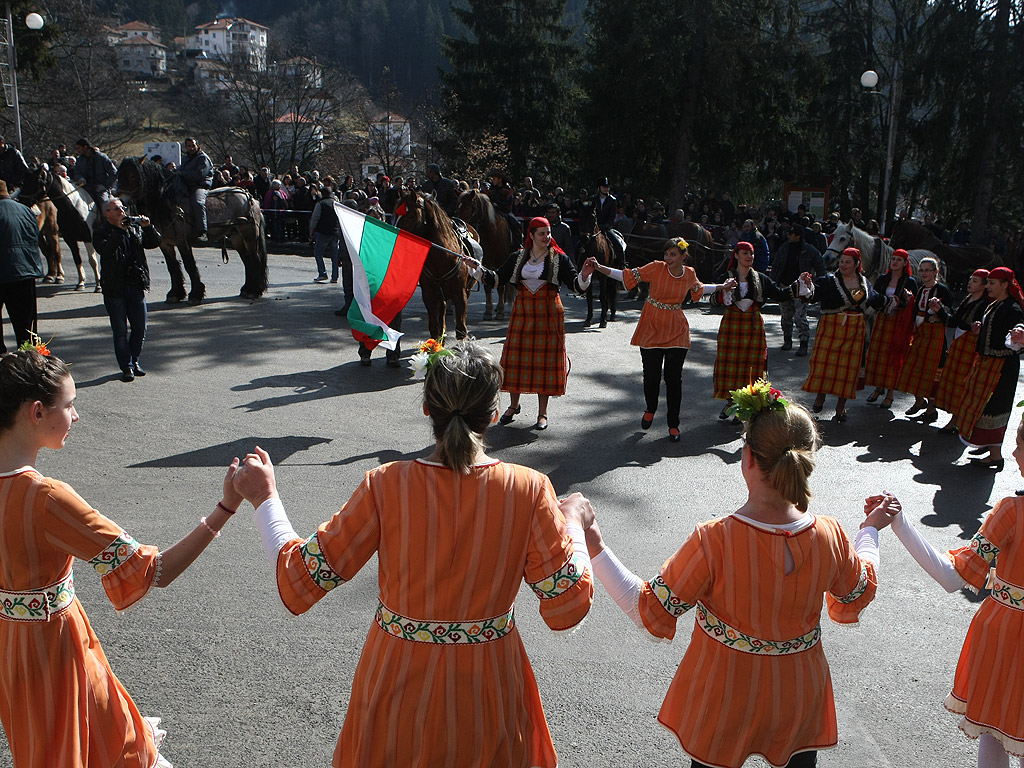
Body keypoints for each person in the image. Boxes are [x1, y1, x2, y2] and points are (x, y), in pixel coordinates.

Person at [229, 339, 594, 767]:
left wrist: (265, 498)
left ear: (427, 408)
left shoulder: (385, 484)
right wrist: (573, 523)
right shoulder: (529, 489)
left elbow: (302, 580)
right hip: (488, 686)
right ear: (493, 414)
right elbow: (567, 605)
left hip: (395, 682)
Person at [564, 382, 891, 768]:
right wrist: (869, 530)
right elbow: (860, 589)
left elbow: (648, 610)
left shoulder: (715, 540)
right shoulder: (830, 534)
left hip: (724, 696)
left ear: (747, 457)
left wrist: (596, 548)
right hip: (799, 694)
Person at [0, 344, 241, 768]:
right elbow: (155, 571)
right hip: (56, 651)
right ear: (36, 412)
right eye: (70, 406)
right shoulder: (45, 497)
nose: (76, 417)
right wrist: (225, 509)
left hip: (11, 651)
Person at [884, 426, 1024, 766]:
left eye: (1021, 445)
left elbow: (952, 577)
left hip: (1006, 636)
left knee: (992, 729)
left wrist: (901, 523)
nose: (1016, 455)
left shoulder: (1012, 513)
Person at [586, 238, 732, 440]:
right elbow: (627, 275)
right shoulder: (655, 268)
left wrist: (721, 287)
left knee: (674, 380)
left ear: (683, 256)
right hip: (652, 326)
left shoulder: (689, 273)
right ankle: (650, 408)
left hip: (676, 330)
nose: (668, 258)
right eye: (666, 254)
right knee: (651, 376)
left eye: (673, 254)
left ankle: (673, 424)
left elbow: (699, 288)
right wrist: (600, 267)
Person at [471, 217, 594, 431]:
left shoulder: (559, 259)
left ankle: (542, 413)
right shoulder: (518, 257)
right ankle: (513, 406)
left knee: (544, 363)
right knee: (515, 360)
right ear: (531, 235)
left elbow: (577, 286)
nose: (547, 237)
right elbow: (497, 278)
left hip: (548, 313)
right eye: (542, 234)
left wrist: (584, 274)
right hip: (523, 312)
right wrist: (477, 268)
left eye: (548, 234)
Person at [713, 242, 798, 419]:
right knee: (730, 363)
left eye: (751, 254)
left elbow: (780, 294)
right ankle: (730, 403)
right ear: (736, 255)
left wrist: (799, 285)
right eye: (745, 253)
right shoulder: (725, 276)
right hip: (732, 323)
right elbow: (713, 300)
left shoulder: (760, 278)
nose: (749, 257)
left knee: (751, 365)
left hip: (753, 324)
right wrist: (723, 291)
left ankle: (744, 405)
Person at [953, 267, 1024, 469]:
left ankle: (996, 457)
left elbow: (1019, 324)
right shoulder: (994, 304)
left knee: (994, 408)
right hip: (987, 364)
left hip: (1002, 368)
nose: (988, 286)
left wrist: (1019, 331)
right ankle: (987, 445)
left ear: (1004, 285)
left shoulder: (1011, 308)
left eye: (992, 283)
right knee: (980, 405)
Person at [799, 247, 876, 421]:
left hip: (855, 330)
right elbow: (815, 294)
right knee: (823, 363)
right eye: (842, 261)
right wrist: (809, 285)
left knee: (848, 369)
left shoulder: (864, 282)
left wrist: (894, 301)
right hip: (831, 328)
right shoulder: (829, 280)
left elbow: (875, 299)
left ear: (856, 264)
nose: (843, 264)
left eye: (848, 262)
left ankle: (841, 407)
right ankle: (820, 396)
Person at [93, 198, 161, 382]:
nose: (122, 210)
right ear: (107, 213)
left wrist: (148, 227)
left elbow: (154, 242)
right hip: (114, 287)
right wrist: (118, 231)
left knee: (140, 328)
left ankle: (135, 360)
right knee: (120, 330)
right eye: (116, 209)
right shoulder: (101, 232)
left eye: (122, 207)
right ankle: (126, 366)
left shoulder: (134, 228)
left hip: (135, 284)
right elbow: (106, 251)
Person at [894, 257, 954, 422]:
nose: (924, 273)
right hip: (921, 334)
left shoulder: (942, 290)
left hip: (935, 335)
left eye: (928, 270)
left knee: (932, 371)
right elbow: (916, 311)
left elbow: (950, 315)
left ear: (936, 272)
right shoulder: (921, 289)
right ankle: (919, 401)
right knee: (913, 368)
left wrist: (938, 310)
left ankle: (931, 409)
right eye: (921, 270)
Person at [935, 269, 990, 434]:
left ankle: (957, 420)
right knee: (953, 379)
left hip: (970, 346)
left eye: (975, 281)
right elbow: (953, 321)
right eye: (971, 279)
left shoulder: (985, 305)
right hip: (959, 344)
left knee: (963, 382)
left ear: (984, 285)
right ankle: (955, 417)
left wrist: (979, 329)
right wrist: (939, 309)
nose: (970, 283)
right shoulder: (968, 299)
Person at [864, 249, 917, 409]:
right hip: (882, 320)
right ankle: (878, 388)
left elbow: (912, 304)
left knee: (893, 356)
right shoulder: (883, 279)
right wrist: (884, 302)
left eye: (899, 260)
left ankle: (890, 394)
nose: (894, 262)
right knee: (879, 353)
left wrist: (904, 301)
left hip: (898, 322)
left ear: (905, 263)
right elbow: (874, 297)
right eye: (893, 259)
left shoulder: (909, 281)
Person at [768, 224, 824, 356]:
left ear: (798, 236)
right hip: (784, 287)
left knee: (800, 317)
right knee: (786, 316)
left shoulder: (810, 250)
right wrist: (772, 284)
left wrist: (817, 284)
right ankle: (787, 340)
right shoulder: (784, 248)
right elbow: (776, 266)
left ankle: (803, 343)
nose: (788, 235)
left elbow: (820, 267)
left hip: (801, 288)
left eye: (791, 234)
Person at [0, 180, 42, 353]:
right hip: (26, 272)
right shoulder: (25, 210)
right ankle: (30, 361)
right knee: (27, 326)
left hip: (3, 272)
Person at [178, 137, 214, 243]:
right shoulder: (185, 158)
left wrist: (182, 174)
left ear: (197, 145)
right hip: (186, 185)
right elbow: (181, 170)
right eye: (189, 146)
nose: (191, 148)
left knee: (198, 203)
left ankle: (202, 231)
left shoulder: (203, 158)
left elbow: (200, 174)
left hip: (200, 185)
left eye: (193, 145)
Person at [71, 138, 117, 205]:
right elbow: (77, 173)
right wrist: (80, 178)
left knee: (105, 205)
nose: (77, 150)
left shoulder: (101, 157)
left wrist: (104, 186)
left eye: (79, 148)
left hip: (100, 190)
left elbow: (113, 173)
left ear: (85, 147)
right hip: (85, 189)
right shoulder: (79, 160)